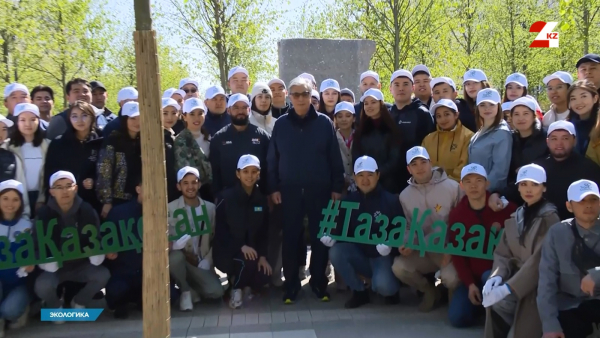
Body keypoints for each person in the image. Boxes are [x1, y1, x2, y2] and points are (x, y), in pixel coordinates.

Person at [267, 76, 345, 304]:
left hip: (319, 190)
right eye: (295, 94)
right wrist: (272, 187)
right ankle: (291, 286)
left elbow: (334, 159)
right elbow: (272, 159)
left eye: (304, 94)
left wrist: (336, 187)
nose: (300, 99)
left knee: (321, 238)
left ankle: (318, 283)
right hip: (288, 192)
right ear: (289, 96)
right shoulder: (280, 124)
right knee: (291, 239)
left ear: (312, 96)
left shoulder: (323, 123)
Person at [480, 164, 559, 337]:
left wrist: (509, 287)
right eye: (523, 184)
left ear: (544, 187)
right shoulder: (517, 215)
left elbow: (540, 260)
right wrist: (497, 276)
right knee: (495, 306)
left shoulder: (550, 218)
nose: (528, 189)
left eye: (534, 184)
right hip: (515, 280)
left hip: (537, 288)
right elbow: (503, 252)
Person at [323, 156, 402, 308]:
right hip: (361, 255)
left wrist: (390, 244)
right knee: (336, 251)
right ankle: (359, 291)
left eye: (370, 175)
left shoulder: (391, 201)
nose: (365, 180)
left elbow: (401, 232)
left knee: (385, 287)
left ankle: (390, 289)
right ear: (354, 177)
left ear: (378, 175)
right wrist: (331, 236)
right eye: (360, 175)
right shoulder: (348, 202)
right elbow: (340, 230)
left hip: (383, 258)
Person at [446, 164, 516, 328]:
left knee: (488, 279)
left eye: (479, 180)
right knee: (457, 319)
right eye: (468, 181)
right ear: (461, 185)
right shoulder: (457, 214)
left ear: (487, 184)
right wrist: (469, 284)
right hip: (473, 276)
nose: (473, 185)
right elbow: (458, 253)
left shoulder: (504, 208)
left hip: (497, 273)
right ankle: (481, 307)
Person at [392, 146, 461, 312]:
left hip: (448, 251)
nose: (420, 167)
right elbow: (409, 226)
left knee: (452, 278)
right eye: (414, 164)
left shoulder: (452, 187)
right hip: (424, 252)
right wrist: (407, 242)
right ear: (409, 169)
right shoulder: (405, 196)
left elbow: (462, 224)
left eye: (423, 162)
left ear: (431, 163)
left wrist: (451, 250)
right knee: (399, 267)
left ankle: (452, 294)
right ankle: (430, 291)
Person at [32, 171, 110, 316]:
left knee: (102, 275)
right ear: (52, 192)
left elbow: (97, 238)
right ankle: (55, 308)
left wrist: (98, 253)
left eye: (68, 186)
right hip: (55, 269)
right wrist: (43, 261)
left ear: (75, 189)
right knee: (42, 285)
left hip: (81, 265)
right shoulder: (43, 215)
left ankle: (79, 302)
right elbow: (35, 246)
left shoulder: (87, 210)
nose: (65, 191)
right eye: (59, 187)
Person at [490, 120, 600, 220]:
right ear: (547, 141)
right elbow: (516, 190)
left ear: (574, 141)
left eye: (565, 138)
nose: (559, 143)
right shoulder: (538, 166)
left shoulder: (589, 169)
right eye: (554, 138)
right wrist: (497, 194)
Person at [537, 179, 600, 338]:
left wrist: (597, 274)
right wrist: (549, 324)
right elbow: (547, 281)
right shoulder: (557, 233)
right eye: (581, 201)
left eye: (593, 200)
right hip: (570, 304)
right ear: (569, 206)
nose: (588, 205)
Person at [213, 155, 271, 309]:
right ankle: (236, 288)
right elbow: (220, 230)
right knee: (248, 260)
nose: (250, 176)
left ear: (259, 174)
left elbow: (264, 231)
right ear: (238, 174)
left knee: (264, 274)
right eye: (245, 171)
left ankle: (242, 283)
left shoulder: (261, 199)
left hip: (251, 252)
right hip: (227, 252)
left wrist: (263, 256)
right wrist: (240, 246)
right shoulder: (225, 197)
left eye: (254, 171)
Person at [168, 167, 223, 311]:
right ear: (179, 186)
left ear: (199, 184)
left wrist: (208, 260)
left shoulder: (210, 208)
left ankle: (193, 290)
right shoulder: (170, 209)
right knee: (174, 258)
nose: (190, 187)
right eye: (185, 183)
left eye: (194, 182)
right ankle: (185, 291)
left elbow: (216, 238)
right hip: (181, 260)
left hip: (201, 262)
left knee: (216, 292)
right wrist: (173, 245)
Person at [43, 101, 102, 213]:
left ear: (92, 117)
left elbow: (106, 171)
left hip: (93, 201)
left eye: (84, 115)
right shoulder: (58, 144)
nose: (79, 120)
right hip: (64, 202)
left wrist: (94, 180)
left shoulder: (100, 141)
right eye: (74, 116)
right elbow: (49, 174)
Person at [210, 94, 270, 196]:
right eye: (236, 108)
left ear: (249, 110)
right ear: (228, 110)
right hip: (228, 198)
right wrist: (217, 196)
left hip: (258, 197)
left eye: (244, 107)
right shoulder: (219, 138)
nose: (240, 111)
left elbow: (270, 167)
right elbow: (214, 171)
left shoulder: (262, 136)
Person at [103, 177, 143, 319]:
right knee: (116, 293)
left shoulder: (163, 212)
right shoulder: (119, 212)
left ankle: (140, 300)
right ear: (138, 189)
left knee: (171, 295)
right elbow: (105, 240)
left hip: (148, 274)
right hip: (123, 272)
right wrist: (109, 251)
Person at [96, 101, 142, 218]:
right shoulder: (113, 141)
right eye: (132, 118)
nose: (137, 122)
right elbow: (104, 172)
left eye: (139, 118)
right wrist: (107, 201)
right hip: (118, 201)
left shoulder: (144, 141)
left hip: (140, 199)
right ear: (124, 119)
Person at [352, 88, 403, 194]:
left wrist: (376, 173)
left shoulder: (392, 129)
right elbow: (356, 156)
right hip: (365, 184)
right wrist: (366, 175)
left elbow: (394, 159)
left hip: (388, 185)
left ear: (381, 104)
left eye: (373, 102)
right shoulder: (359, 131)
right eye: (366, 103)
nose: (369, 106)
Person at [0, 180, 32, 335]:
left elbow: (33, 255)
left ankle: (16, 312)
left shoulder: (28, 226)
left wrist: (31, 264)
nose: (10, 204)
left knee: (9, 310)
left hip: (17, 285)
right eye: (5, 198)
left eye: (15, 199)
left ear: (21, 202)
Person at [8, 103, 50, 217]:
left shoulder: (47, 145)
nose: (28, 124)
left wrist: (42, 198)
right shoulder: (7, 147)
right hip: (16, 197)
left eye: (33, 119)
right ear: (16, 122)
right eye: (22, 120)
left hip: (42, 196)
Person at [468, 88, 512, 192]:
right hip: (475, 190)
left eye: (491, 104)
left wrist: (482, 190)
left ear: (498, 106)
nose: (487, 108)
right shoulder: (481, 130)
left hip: (488, 193)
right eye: (482, 105)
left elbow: (500, 172)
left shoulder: (502, 133)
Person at [422, 99, 474, 182]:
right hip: (429, 185)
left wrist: (447, 183)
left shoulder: (468, 136)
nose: (443, 119)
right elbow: (422, 163)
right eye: (438, 116)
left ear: (456, 115)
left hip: (455, 186)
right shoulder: (428, 139)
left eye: (446, 114)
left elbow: (464, 165)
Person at [173, 98, 212, 201]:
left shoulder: (208, 137)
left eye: (200, 113)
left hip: (210, 191)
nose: (197, 118)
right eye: (192, 114)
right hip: (193, 194)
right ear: (184, 117)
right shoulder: (180, 141)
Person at [508, 97, 548, 185]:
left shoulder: (546, 136)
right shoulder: (510, 139)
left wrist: (530, 168)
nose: (521, 118)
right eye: (516, 114)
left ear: (534, 116)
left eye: (526, 114)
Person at [0, 116, 30, 217]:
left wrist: (25, 214)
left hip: (7, 216)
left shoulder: (12, 157)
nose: (1, 133)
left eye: (4, 129)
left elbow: (21, 186)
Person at [567, 80, 598, 155]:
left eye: (583, 96)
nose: (578, 102)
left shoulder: (598, 126)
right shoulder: (568, 126)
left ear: (595, 98)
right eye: (573, 99)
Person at [333, 102, 356, 193]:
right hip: (339, 187)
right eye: (340, 116)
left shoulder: (360, 137)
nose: (344, 119)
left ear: (354, 118)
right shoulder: (331, 137)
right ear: (335, 119)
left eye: (348, 116)